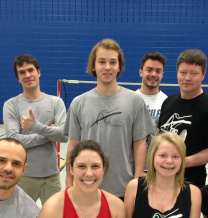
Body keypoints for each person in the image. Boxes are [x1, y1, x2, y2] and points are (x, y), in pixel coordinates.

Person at [64, 38, 153, 198]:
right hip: (87, 185)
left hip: (124, 188)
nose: (107, 67)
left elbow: (140, 144)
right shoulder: (79, 103)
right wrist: (69, 179)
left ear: (119, 67)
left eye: (113, 62)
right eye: (102, 61)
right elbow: (73, 145)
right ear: (93, 65)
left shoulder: (135, 101)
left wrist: (137, 180)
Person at [3, 54, 68, 204]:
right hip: (23, 176)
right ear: (18, 78)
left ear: (38, 72)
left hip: (51, 176)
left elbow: (63, 135)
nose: (27, 75)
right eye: (22, 72)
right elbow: (14, 141)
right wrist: (47, 134)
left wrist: (36, 127)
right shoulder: (11, 105)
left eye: (30, 70)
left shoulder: (56, 102)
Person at [157, 49, 208, 188]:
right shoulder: (169, 101)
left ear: (203, 75)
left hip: (189, 183)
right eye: (183, 73)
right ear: (177, 74)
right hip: (160, 179)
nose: (187, 78)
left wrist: (186, 162)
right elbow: (159, 132)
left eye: (194, 73)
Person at [135, 52, 168, 150]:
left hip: (157, 161)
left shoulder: (167, 102)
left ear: (162, 74)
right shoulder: (131, 100)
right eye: (149, 70)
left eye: (158, 71)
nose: (153, 74)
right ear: (141, 72)